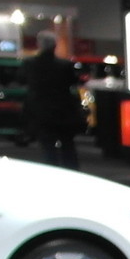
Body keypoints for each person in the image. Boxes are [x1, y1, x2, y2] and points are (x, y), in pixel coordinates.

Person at [19, 33, 82, 169]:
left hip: (41, 111)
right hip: (63, 111)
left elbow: (22, 81)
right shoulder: (65, 65)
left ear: (39, 45)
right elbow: (73, 83)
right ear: (55, 46)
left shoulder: (30, 64)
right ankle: (72, 172)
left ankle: (53, 170)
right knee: (68, 146)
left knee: (48, 147)